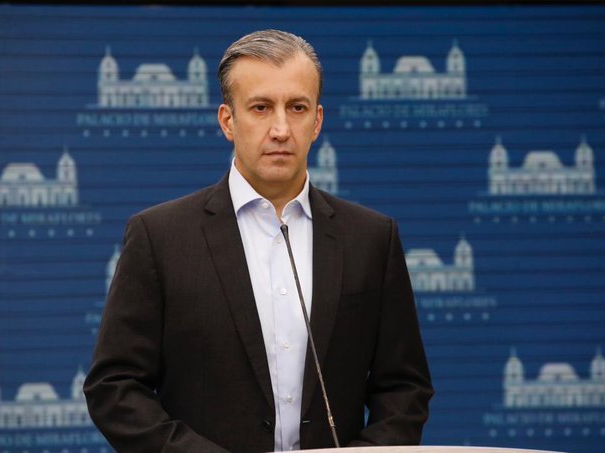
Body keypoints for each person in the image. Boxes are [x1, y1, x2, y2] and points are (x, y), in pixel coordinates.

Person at [84, 29, 433, 452]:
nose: (281, 129)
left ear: (317, 121)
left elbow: (404, 389)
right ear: (228, 121)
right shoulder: (159, 237)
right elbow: (115, 387)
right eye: (261, 108)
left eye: (297, 107)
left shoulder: (372, 238)